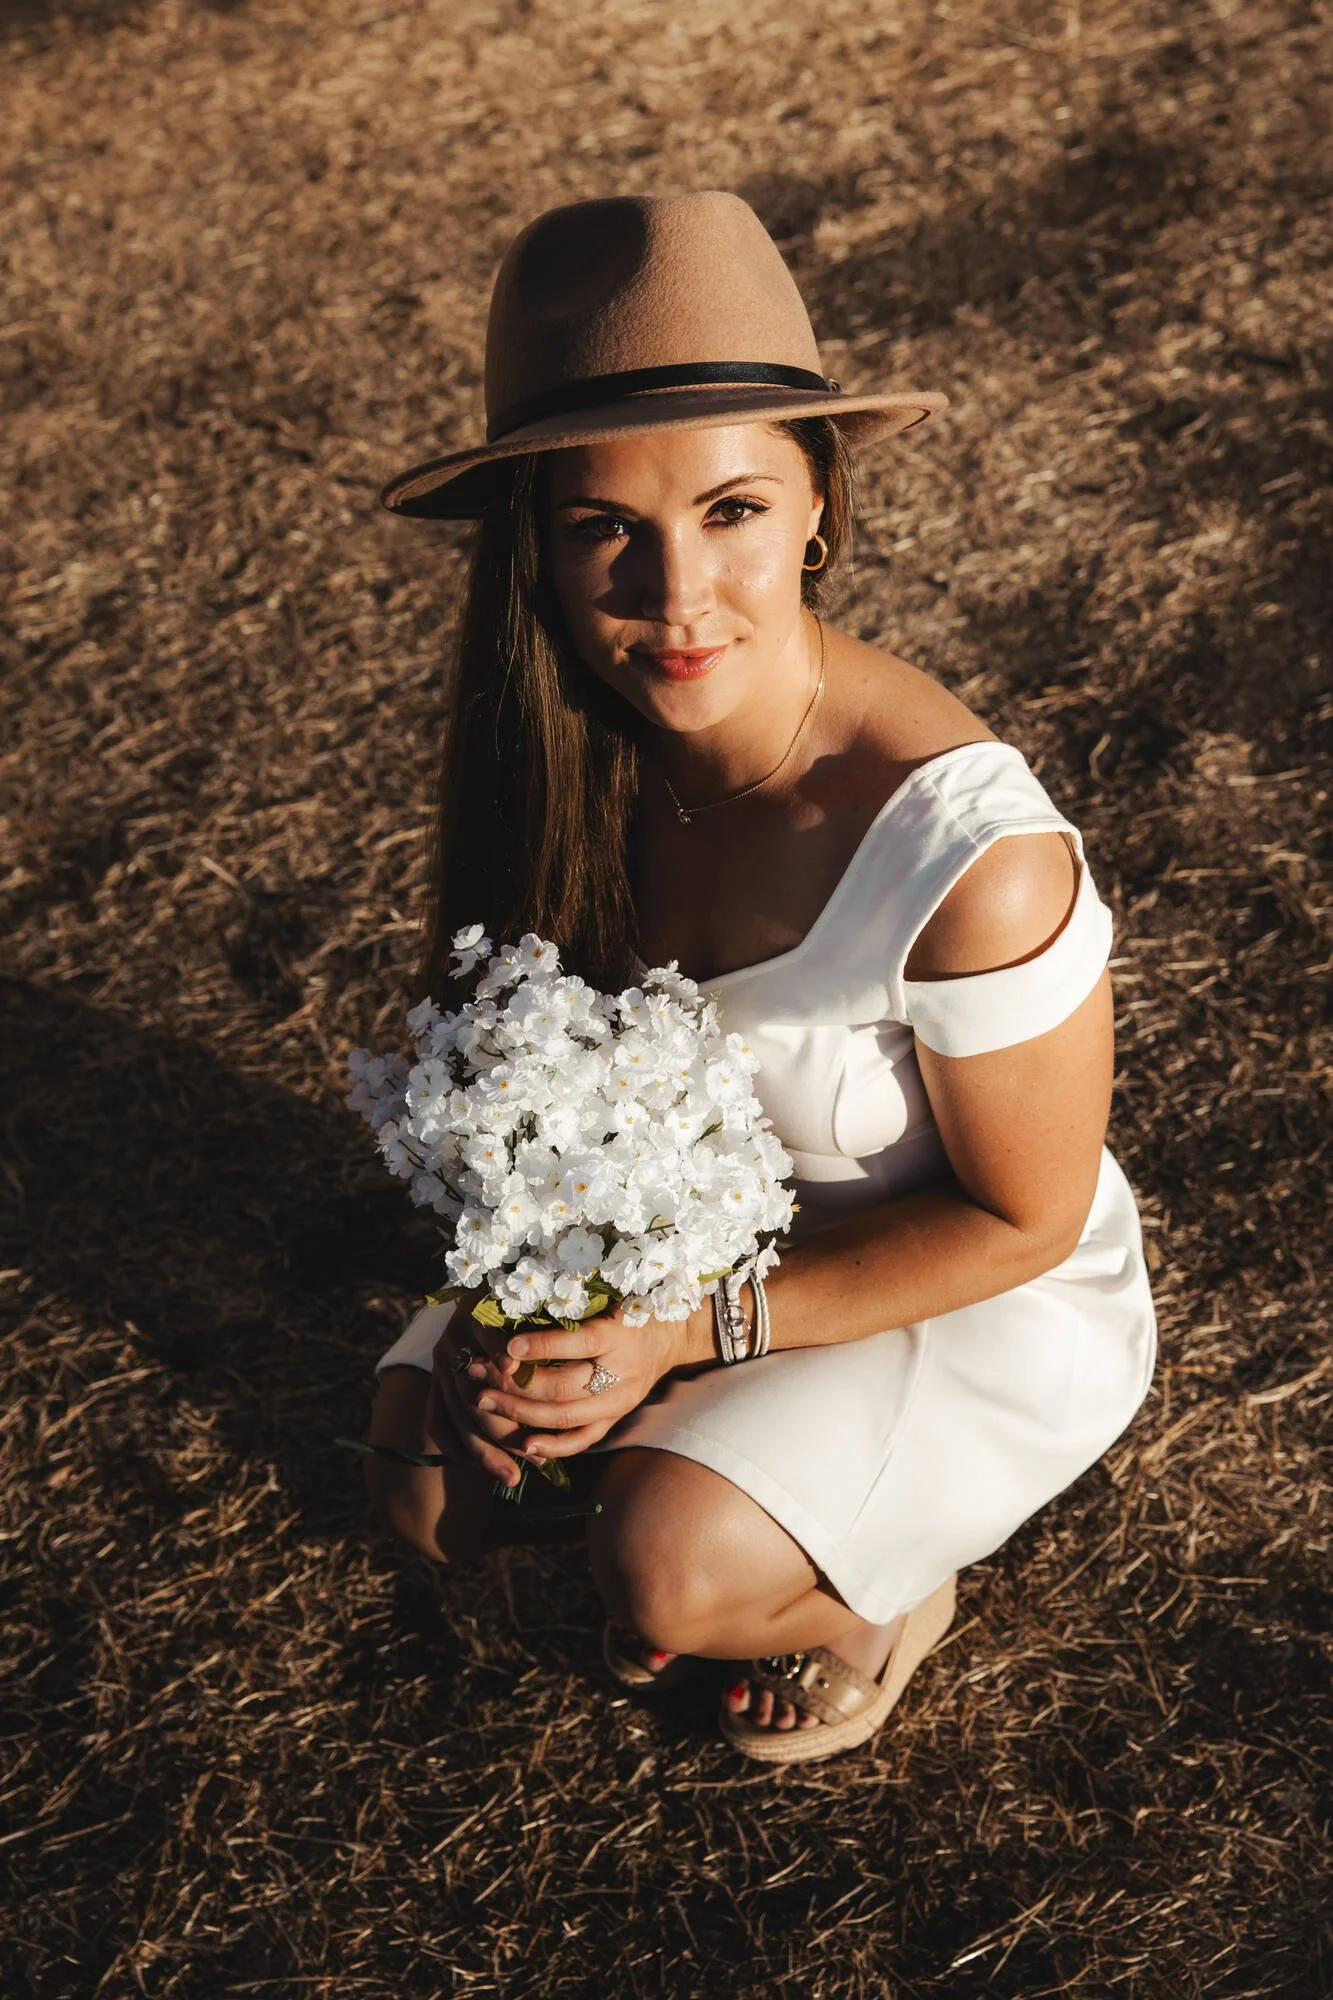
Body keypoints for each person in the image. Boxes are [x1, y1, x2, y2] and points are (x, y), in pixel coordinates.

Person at [362, 191, 1157, 1765]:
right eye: (607, 528)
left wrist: (676, 1342)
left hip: (955, 1285)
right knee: (432, 1484)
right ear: (533, 547)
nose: (674, 601)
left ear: (818, 506)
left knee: (667, 1564)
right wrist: (533, 1309)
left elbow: (1025, 1219)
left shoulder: (971, 856)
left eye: (729, 511)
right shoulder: (564, 761)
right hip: (686, 1253)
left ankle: (875, 1591)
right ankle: (727, 1479)